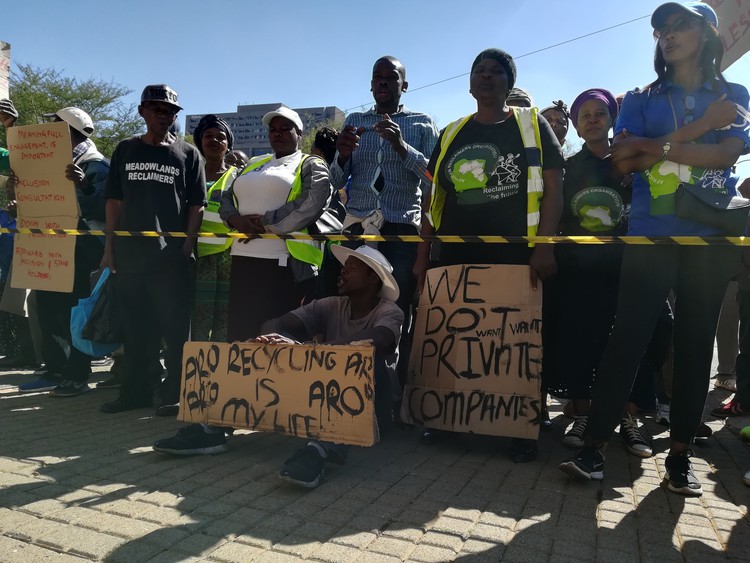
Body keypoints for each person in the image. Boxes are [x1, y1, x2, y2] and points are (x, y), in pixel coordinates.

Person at [559, 2, 750, 496]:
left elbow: (727, 153)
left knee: (693, 347)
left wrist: (655, 146)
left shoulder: (735, 94)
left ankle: (680, 459)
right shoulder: (640, 98)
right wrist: (699, 127)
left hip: (708, 239)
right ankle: (595, 447)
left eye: (680, 25)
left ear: (707, 34)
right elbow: (624, 159)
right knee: (628, 339)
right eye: (662, 29)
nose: (668, 35)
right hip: (648, 236)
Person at [413, 48, 564, 461]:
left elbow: (554, 187)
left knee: (514, 342)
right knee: (454, 339)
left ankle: (517, 426)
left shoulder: (533, 126)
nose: (486, 76)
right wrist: (422, 256)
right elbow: (433, 198)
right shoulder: (451, 132)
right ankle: (446, 419)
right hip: (454, 258)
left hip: (517, 256)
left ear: (509, 83)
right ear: (469, 82)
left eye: (496, 71)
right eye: (478, 70)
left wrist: (545, 244)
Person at [153, 245, 403, 489]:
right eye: (344, 266)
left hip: (375, 409)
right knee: (270, 348)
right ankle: (214, 428)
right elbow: (276, 322)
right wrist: (271, 344)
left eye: (352, 267)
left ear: (372, 278)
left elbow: (380, 339)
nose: (342, 272)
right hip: (328, 396)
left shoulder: (390, 312)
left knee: (361, 359)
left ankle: (319, 450)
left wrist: (308, 350)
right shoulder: (331, 305)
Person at [541, 88, 652, 455]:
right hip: (578, 270)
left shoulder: (631, 164)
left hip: (623, 268)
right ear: (575, 124)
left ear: (611, 119)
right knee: (581, 339)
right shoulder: (569, 167)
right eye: (583, 114)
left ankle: (628, 417)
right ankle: (584, 414)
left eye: (599, 113)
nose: (591, 119)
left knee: (626, 341)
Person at [330, 56, 438, 398]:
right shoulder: (355, 121)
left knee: (397, 309)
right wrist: (343, 156)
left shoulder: (421, 124)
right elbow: (335, 182)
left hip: (400, 230)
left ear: (404, 85)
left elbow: (435, 179)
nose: (383, 83)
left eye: (391, 77)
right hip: (358, 228)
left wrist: (402, 147)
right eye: (377, 77)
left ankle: (394, 397)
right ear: (371, 84)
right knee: (348, 307)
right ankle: (343, 387)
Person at [100, 84, 205, 416]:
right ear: (142, 111)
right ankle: (135, 393)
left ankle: (174, 395)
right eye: (158, 110)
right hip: (130, 258)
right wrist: (109, 248)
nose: (166, 116)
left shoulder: (188, 154)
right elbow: (114, 201)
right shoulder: (125, 149)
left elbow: (196, 205)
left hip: (169, 259)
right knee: (135, 330)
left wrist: (187, 245)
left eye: (172, 112)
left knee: (175, 333)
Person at [219, 106, 333, 341]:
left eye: (285, 129)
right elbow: (226, 197)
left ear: (299, 133)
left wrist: (262, 225)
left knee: (273, 339)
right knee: (241, 336)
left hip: (283, 266)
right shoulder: (254, 162)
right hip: (242, 259)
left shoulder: (310, 163)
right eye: (273, 130)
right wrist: (235, 220)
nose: (277, 133)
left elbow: (311, 202)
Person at [16, 107, 107, 396]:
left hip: (82, 248)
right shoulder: (52, 161)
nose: (50, 131)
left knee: (73, 309)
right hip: (52, 247)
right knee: (48, 306)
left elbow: (107, 209)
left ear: (69, 130)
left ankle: (78, 372)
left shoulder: (95, 165)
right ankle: (55, 368)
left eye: (55, 125)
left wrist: (83, 185)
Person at [192, 115, 239, 343]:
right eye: (208, 136)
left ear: (228, 145)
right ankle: (193, 370)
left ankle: (218, 371)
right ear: (199, 142)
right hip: (193, 256)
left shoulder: (238, 178)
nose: (214, 140)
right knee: (196, 317)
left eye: (220, 137)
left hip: (227, 258)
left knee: (224, 316)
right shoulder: (189, 174)